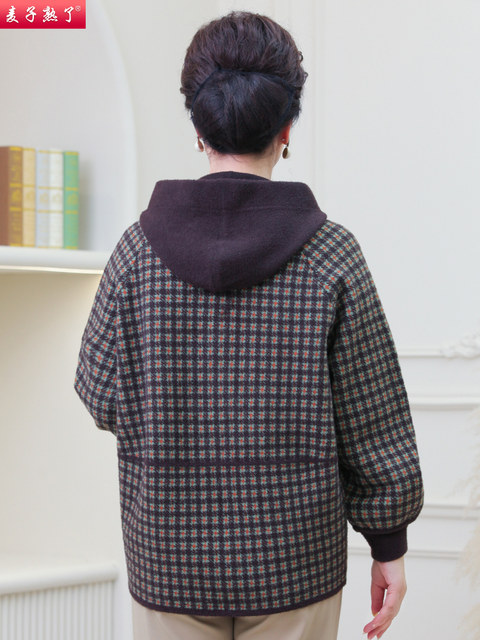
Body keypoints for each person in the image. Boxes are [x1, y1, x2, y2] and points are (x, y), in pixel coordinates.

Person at [74, 11, 423, 640]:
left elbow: (100, 397)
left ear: (198, 127)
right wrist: (388, 546)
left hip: (168, 559)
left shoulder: (136, 254)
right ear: (286, 129)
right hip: (297, 563)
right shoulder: (332, 254)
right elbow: (373, 421)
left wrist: (179, 426)